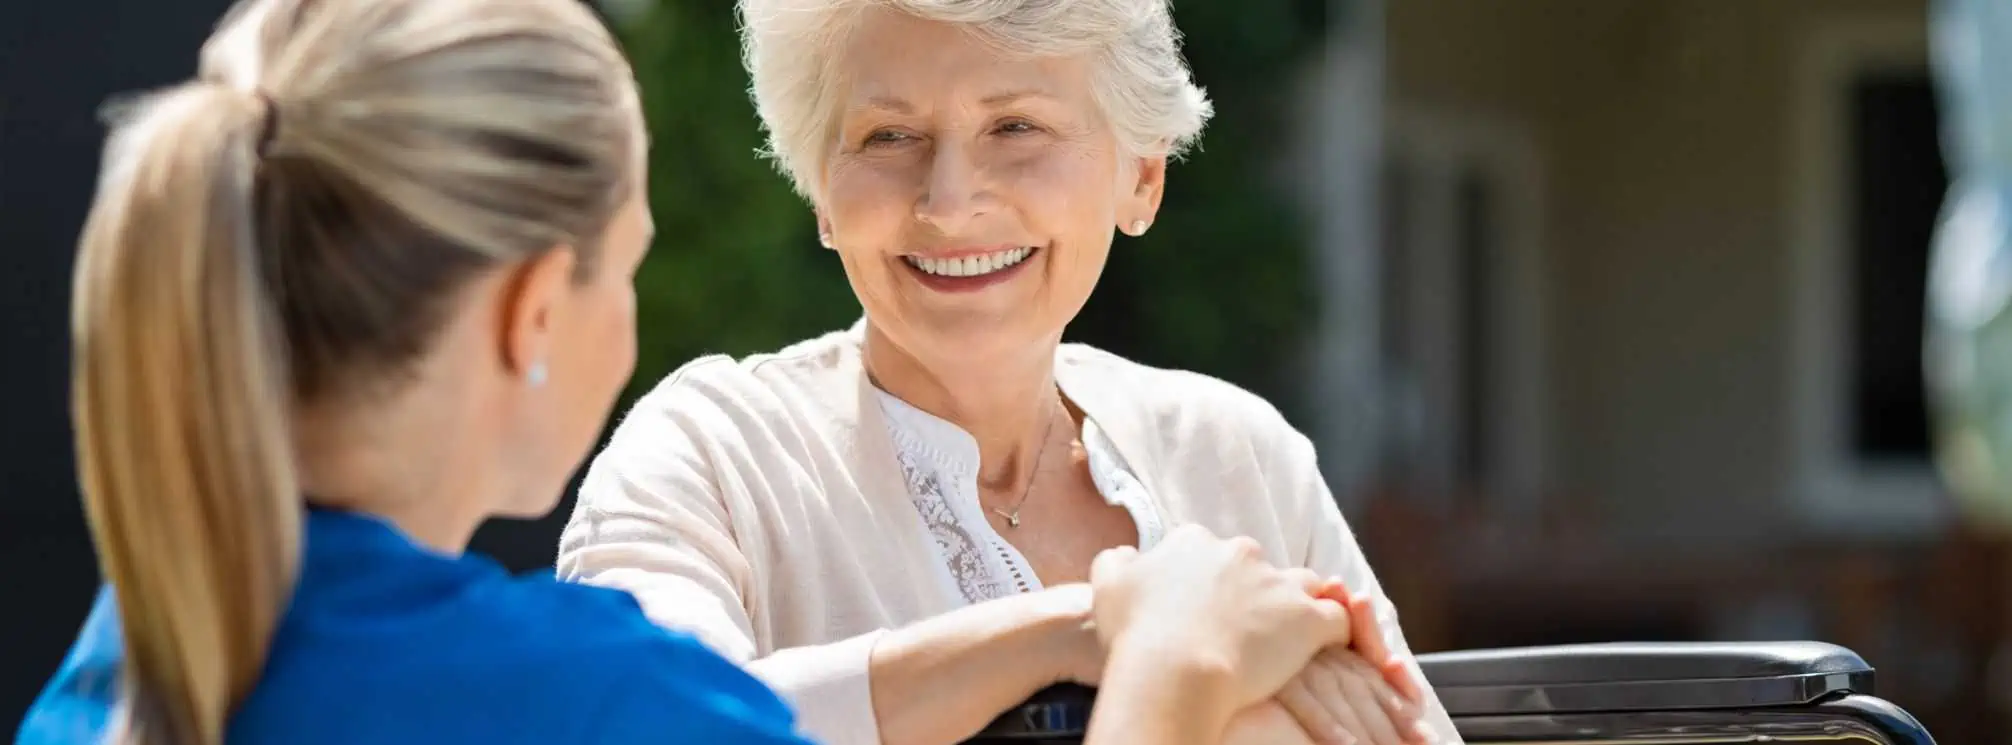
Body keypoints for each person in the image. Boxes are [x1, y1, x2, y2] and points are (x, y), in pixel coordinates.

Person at [12, 0, 1372, 743]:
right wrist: (1170, 670)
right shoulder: (593, 696)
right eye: (632, 258)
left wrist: (1080, 627)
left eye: (1018, 125)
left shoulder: (136, 650)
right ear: (539, 307)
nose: (953, 197)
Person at [557, 2, 1461, 745]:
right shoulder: (710, 452)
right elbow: (636, 720)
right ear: (822, 193)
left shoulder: (1238, 454)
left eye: (1015, 125)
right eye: (888, 136)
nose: (950, 201)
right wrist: (1100, 629)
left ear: (1140, 178)